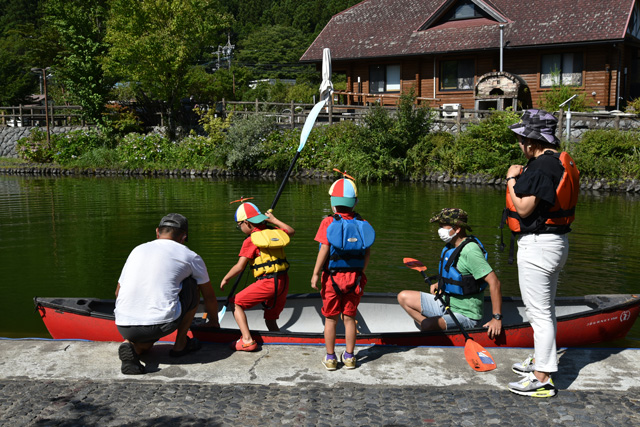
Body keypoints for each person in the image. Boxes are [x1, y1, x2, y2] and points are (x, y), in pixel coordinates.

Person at [504, 109, 579, 398]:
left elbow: (523, 208)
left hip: (539, 247)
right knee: (545, 311)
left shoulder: (540, 167)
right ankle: (540, 360)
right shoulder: (554, 163)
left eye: (521, 139)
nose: (519, 145)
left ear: (532, 142)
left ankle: (542, 378)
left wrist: (511, 179)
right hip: (555, 244)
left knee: (539, 314)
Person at [115, 213, 220, 375]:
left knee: (145, 346)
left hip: (123, 324)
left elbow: (118, 292)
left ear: (157, 232)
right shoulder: (190, 256)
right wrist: (214, 322)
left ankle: (131, 347)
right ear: (183, 236)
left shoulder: (137, 250)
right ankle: (181, 344)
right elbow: (209, 296)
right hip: (161, 324)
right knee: (192, 284)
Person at [397, 208, 503, 340]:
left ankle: (431, 330)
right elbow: (458, 276)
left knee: (427, 324)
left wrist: (496, 318)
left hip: (466, 315)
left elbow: (494, 282)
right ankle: (436, 333)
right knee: (403, 297)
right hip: (446, 303)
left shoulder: (470, 251)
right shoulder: (451, 246)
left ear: (457, 228)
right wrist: (439, 284)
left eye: (442, 226)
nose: (439, 230)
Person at [311, 177, 375, 370]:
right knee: (349, 318)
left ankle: (330, 358)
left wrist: (315, 274)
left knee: (330, 319)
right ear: (355, 202)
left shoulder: (328, 222)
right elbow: (367, 251)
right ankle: (349, 357)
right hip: (355, 278)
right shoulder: (362, 222)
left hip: (332, 278)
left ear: (332, 203)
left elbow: (324, 249)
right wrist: (360, 273)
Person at [221, 202, 295, 351]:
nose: (240, 228)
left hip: (267, 283)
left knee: (235, 302)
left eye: (239, 225)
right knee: (270, 318)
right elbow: (290, 231)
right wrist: (273, 220)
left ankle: (247, 340)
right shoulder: (275, 232)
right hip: (283, 282)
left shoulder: (250, 240)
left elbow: (239, 266)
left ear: (246, 223)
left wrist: (226, 278)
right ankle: (277, 338)